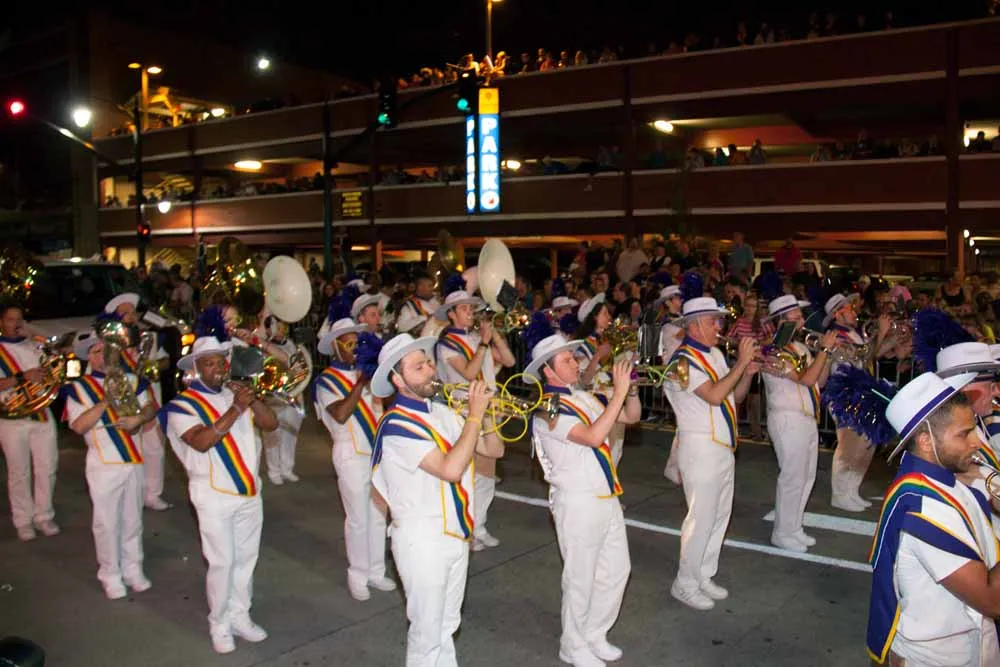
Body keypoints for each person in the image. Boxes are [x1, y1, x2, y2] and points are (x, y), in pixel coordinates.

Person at [369, 333, 488, 667]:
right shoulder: (395, 424)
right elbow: (450, 469)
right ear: (397, 379)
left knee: (447, 625)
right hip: (421, 540)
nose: (429, 371)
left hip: (455, 532)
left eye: (428, 363)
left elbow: (494, 451)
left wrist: (489, 416)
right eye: (418, 367)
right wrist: (474, 417)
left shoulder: (442, 412)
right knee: (426, 632)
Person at [869, 372, 1000, 667]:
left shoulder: (941, 479)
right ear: (926, 441)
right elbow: (992, 600)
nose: (976, 442)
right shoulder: (924, 506)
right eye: (964, 434)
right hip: (939, 658)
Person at [527, 333, 640, 667]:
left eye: (573, 357)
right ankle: (572, 645)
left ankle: (594, 632)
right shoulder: (546, 408)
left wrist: (631, 389)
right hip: (577, 500)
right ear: (548, 372)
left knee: (617, 569)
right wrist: (618, 392)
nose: (575, 363)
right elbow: (592, 436)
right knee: (580, 577)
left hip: (605, 494)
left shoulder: (583, 397)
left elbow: (630, 417)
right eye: (566, 360)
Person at [162, 336, 279, 654]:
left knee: (246, 559)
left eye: (221, 362)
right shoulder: (182, 405)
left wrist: (253, 400)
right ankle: (219, 623)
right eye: (209, 363)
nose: (218, 368)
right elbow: (201, 441)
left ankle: (241, 614)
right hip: (212, 495)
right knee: (222, 562)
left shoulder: (236, 394)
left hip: (249, 491)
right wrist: (236, 408)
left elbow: (271, 424)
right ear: (196, 369)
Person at [664, 297, 759, 610]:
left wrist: (747, 373)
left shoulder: (715, 354)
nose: (719, 326)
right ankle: (685, 583)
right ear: (693, 326)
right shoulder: (682, 361)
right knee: (700, 520)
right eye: (712, 321)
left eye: (718, 320)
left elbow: (735, 397)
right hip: (699, 447)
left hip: (722, 446)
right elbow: (715, 395)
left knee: (719, 516)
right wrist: (741, 363)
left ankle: (703, 574)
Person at [65, 333, 159, 599]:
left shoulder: (132, 380)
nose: (103, 357)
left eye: (107, 351)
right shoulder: (79, 388)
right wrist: (107, 400)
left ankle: (133, 568)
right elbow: (78, 426)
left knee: (133, 519)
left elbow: (150, 408)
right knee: (106, 523)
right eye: (97, 352)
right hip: (103, 463)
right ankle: (110, 573)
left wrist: (139, 418)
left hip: (134, 458)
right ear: (88, 357)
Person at [314, 319, 395, 601]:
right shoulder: (326, 381)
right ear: (336, 347)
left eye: (357, 342)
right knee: (358, 517)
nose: (355, 348)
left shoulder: (369, 374)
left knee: (379, 514)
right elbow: (340, 414)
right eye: (348, 343)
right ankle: (358, 574)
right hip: (350, 453)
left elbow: (386, 407)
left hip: (375, 452)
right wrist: (361, 383)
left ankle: (376, 570)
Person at [434, 290, 515, 551]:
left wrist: (495, 335)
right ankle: (465, 529)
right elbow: (469, 372)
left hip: (488, 406)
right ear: (451, 314)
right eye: (464, 308)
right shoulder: (446, 344)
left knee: (488, 470)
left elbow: (510, 360)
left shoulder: (477, 337)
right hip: (463, 411)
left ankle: (478, 524)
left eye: (471, 308)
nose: (471, 312)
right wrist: (483, 343)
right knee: (469, 471)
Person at [761, 295, 838, 552]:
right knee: (792, 477)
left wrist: (826, 355)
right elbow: (805, 379)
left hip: (806, 418)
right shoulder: (772, 351)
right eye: (796, 317)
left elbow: (819, 381)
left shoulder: (801, 348)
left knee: (807, 477)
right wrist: (824, 350)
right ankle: (782, 532)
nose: (802, 321)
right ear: (781, 321)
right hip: (787, 418)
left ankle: (794, 528)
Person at [104, 293, 172, 510]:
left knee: (155, 448)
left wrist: (155, 366)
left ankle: (153, 494)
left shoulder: (148, 337)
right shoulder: (108, 342)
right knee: (131, 448)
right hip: (124, 401)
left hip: (151, 397)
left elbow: (166, 359)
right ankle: (132, 494)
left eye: (133, 312)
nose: (131, 316)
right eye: (125, 313)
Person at [823, 294, 890, 511]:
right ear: (837, 314)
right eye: (849, 309)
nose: (854, 312)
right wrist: (880, 334)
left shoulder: (855, 333)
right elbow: (857, 358)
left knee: (866, 443)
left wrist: (884, 337)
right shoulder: (835, 336)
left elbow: (869, 358)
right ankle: (839, 494)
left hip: (860, 393)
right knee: (848, 445)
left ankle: (852, 490)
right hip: (843, 394)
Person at [0, 303, 59, 541]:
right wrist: (22, 377)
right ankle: (23, 520)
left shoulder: (33, 345)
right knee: (19, 472)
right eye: (11, 319)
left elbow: (56, 357)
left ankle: (44, 515)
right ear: (1, 322)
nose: (16, 324)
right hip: (12, 418)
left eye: (20, 319)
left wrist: (34, 335)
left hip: (41, 413)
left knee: (47, 467)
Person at [257, 317, 305, 486]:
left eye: (283, 326)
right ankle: (274, 470)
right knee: (272, 434)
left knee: (290, 433)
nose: (280, 330)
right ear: (268, 330)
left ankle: (287, 468)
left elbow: (301, 369)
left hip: (292, 396)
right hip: (272, 398)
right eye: (276, 327)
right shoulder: (263, 347)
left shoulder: (293, 346)